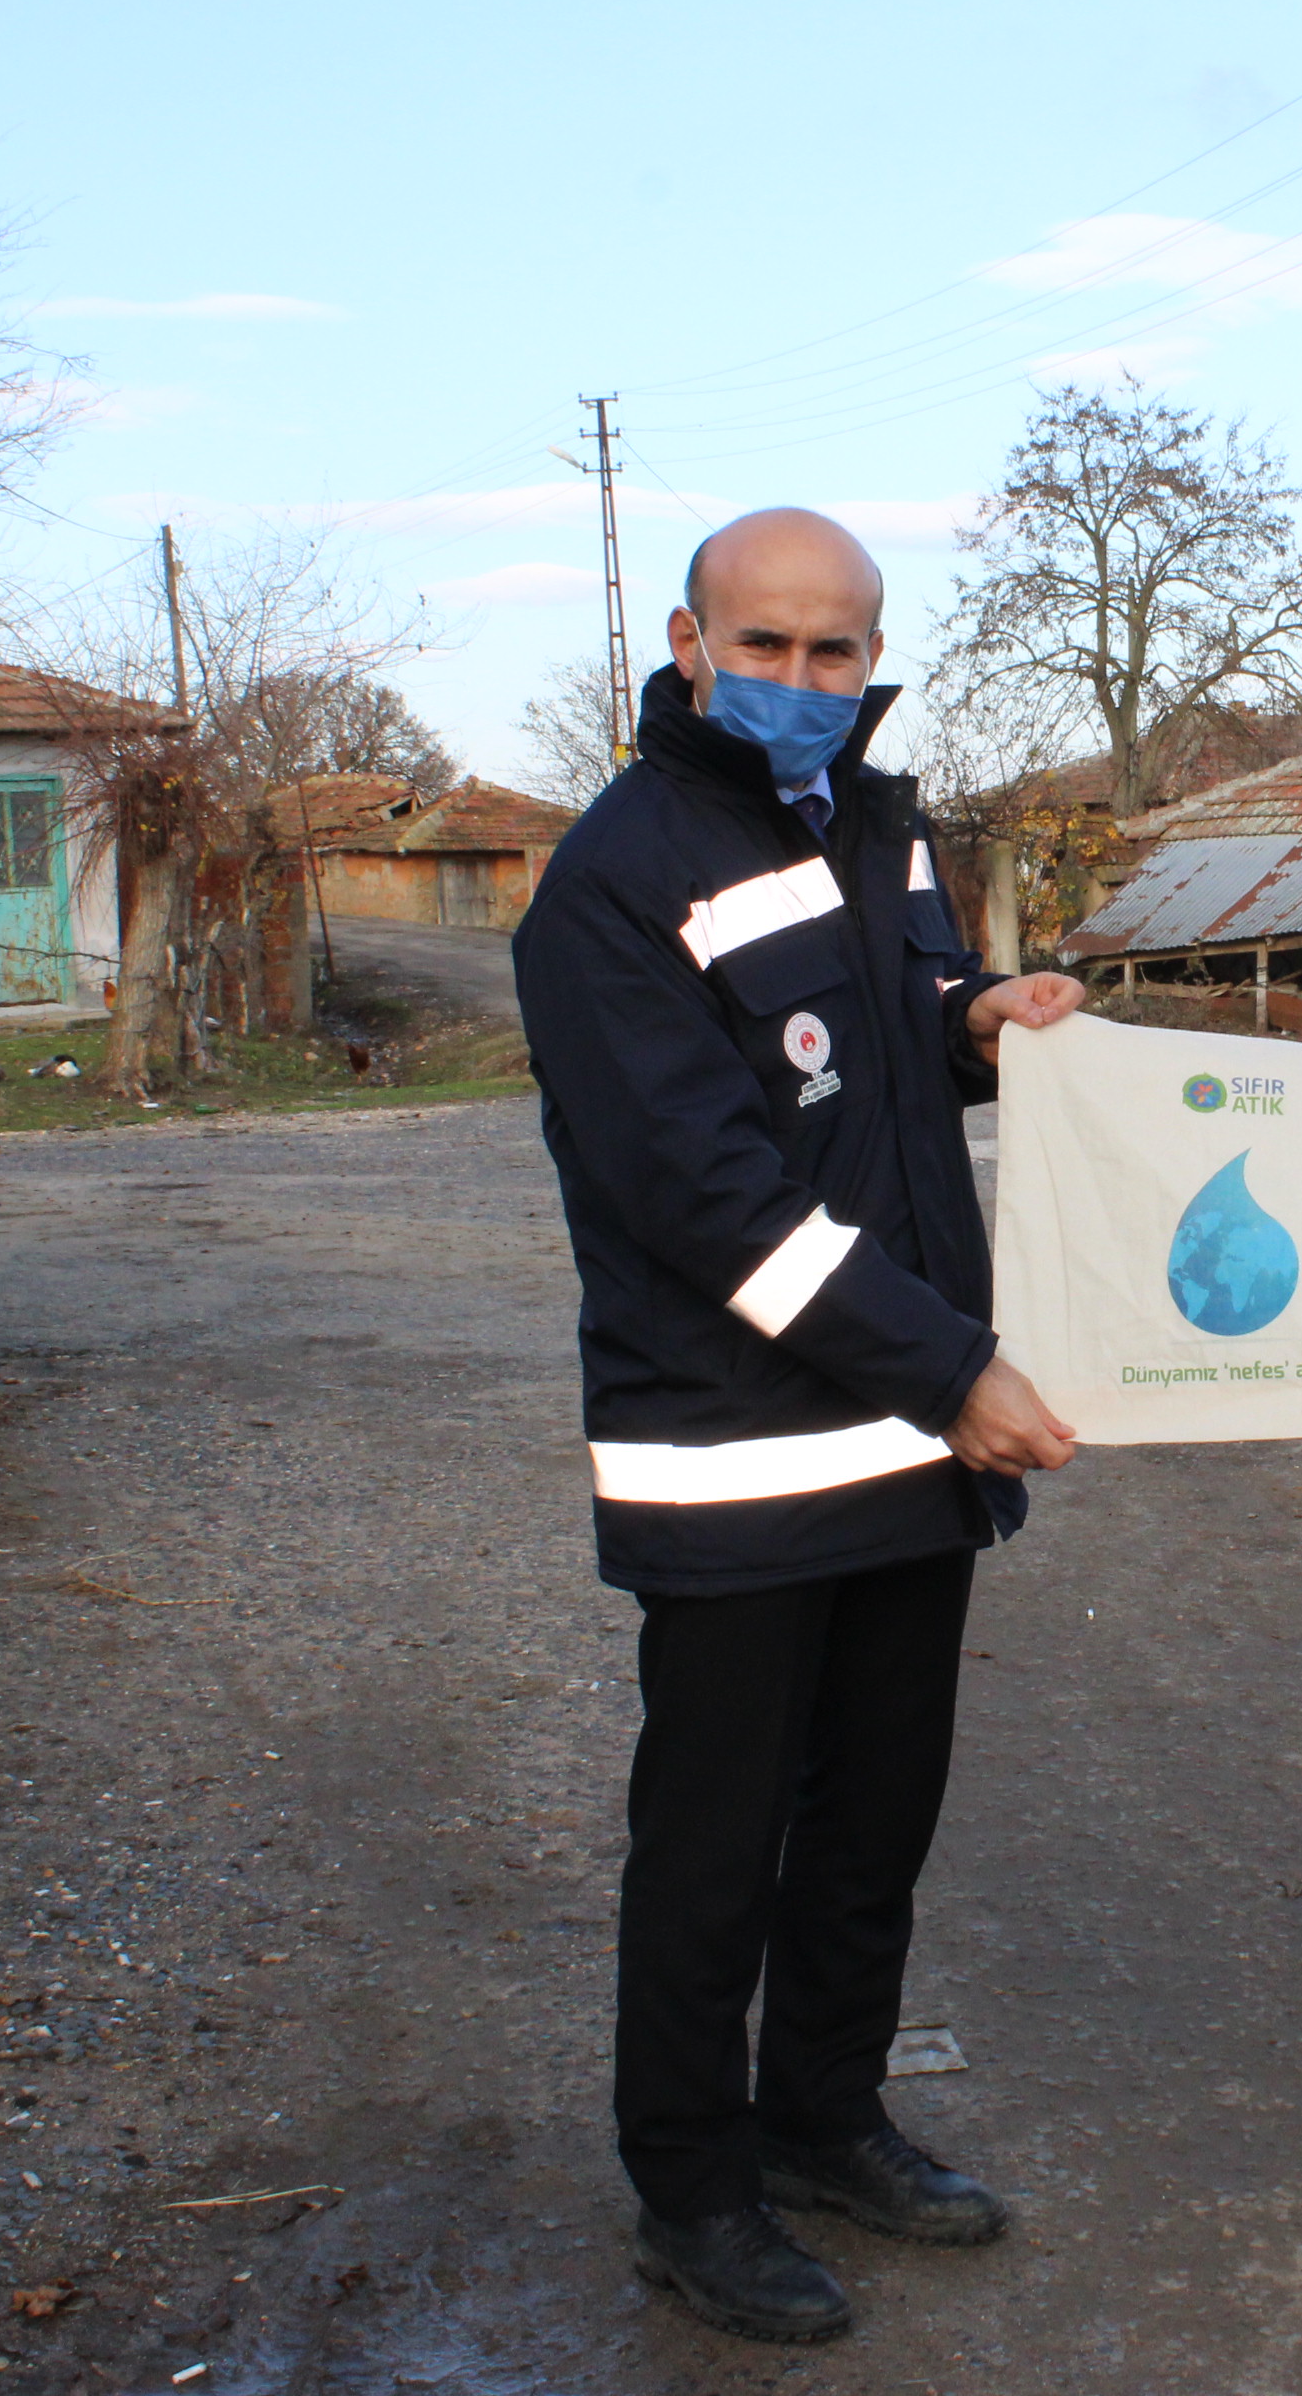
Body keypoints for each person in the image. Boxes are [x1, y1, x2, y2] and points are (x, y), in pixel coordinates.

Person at [513, 506, 1083, 2346]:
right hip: (746, 1458)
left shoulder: (881, 823)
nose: (804, 684)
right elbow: (707, 1198)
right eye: (766, 648)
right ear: (686, 642)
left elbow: (892, 1028)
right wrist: (953, 1369)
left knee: (874, 1824)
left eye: (837, 651)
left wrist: (978, 1011)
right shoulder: (611, 880)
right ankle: (694, 2187)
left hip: (909, 1454)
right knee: (716, 1845)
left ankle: (827, 2116)